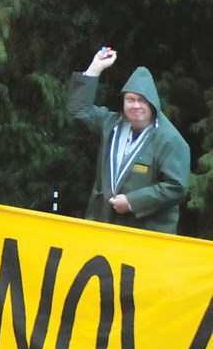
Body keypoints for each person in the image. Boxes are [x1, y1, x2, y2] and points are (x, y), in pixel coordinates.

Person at [67, 47, 190, 233]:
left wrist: (133, 202)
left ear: (153, 104)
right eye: (130, 100)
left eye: (142, 100)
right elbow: (79, 111)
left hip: (145, 236)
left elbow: (176, 187)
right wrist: (95, 68)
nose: (136, 105)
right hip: (104, 225)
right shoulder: (111, 124)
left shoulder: (170, 140)